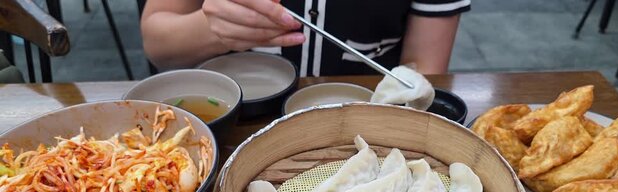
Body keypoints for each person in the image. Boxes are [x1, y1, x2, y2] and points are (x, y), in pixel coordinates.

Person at [141, 0, 470, 76]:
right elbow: (159, 44)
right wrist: (213, 28)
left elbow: (424, 69)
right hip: (227, 125)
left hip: (366, 130)